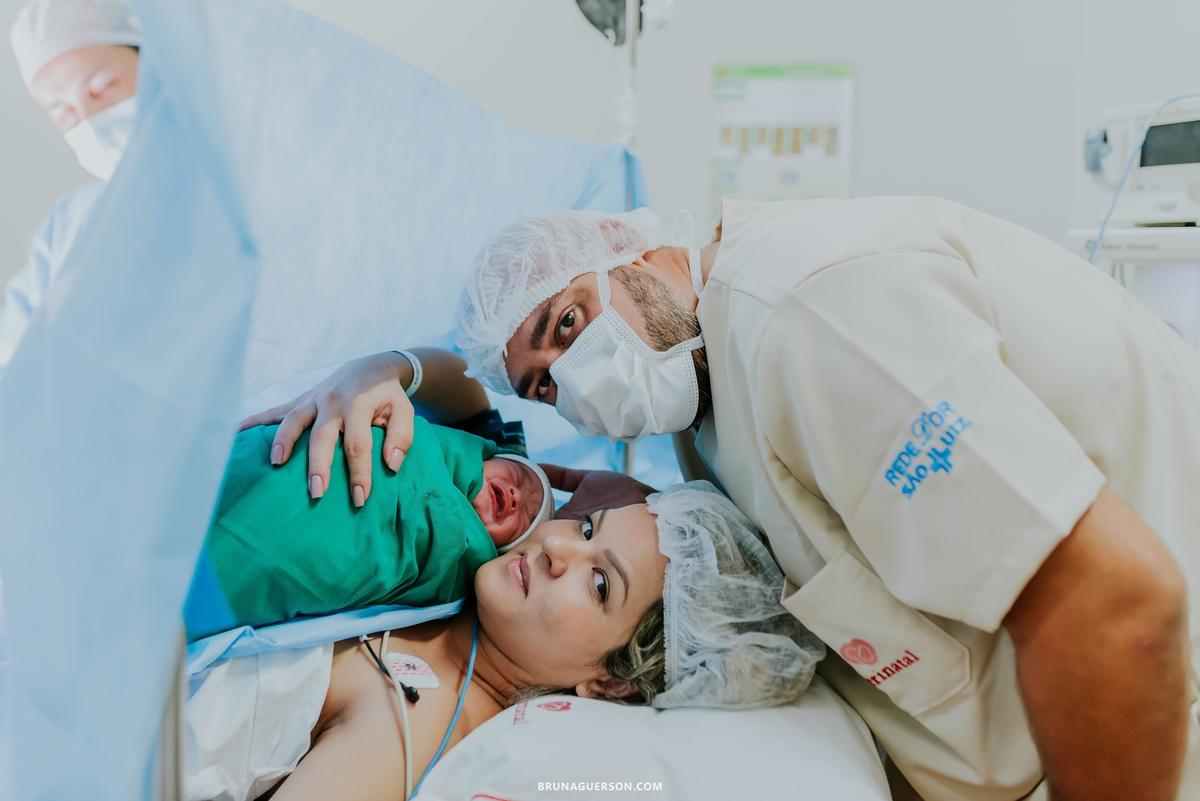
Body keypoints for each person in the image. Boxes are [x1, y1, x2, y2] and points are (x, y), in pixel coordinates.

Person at [260, 198, 1199, 801]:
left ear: (630, 242)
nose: (577, 380)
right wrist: (380, 367)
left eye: (568, 324)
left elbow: (1117, 611)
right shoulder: (696, 411)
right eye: (546, 386)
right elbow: (472, 383)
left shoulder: (808, 318)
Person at [185, 480, 824, 801]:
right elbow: (464, 387)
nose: (557, 546)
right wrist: (389, 370)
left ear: (611, 681)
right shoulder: (482, 543)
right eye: (586, 524)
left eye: (600, 583)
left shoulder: (410, 726)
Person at [191, 349, 555, 640]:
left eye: (527, 516)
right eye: (520, 476)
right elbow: (461, 378)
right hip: (266, 462)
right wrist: (387, 367)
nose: (516, 495)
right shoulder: (456, 445)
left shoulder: (468, 586)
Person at [1, 0, 140, 374]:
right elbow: (15, 355)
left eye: (103, 87)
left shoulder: (253, 180)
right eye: (62, 111)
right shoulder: (70, 222)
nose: (89, 119)